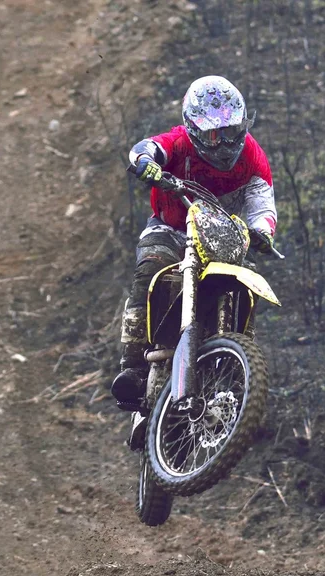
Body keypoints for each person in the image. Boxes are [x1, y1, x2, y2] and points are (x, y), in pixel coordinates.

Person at [111, 75, 277, 411]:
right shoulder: (178, 143)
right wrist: (146, 163)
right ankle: (134, 365)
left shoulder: (252, 157)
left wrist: (262, 230)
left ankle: (237, 364)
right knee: (151, 268)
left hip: (222, 236)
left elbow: (262, 198)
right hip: (171, 229)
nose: (224, 145)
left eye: (230, 133)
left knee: (245, 287)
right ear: (193, 129)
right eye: (214, 136)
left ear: (243, 125)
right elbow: (149, 147)